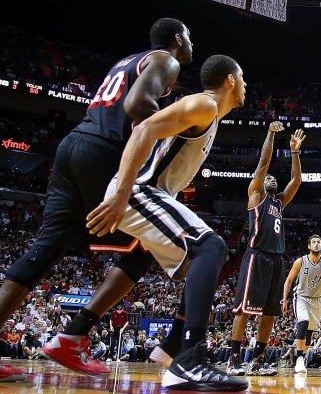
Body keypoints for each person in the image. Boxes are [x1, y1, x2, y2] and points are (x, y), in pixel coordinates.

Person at [0, 18, 193, 382]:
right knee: (149, 245)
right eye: (189, 37)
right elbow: (138, 105)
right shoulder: (165, 60)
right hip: (106, 152)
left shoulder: (127, 60)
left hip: (73, 146)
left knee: (48, 247)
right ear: (175, 38)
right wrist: (175, 136)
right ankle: (75, 334)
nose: (191, 44)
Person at [82, 53, 248, 391]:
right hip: (139, 192)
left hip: (151, 195)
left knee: (199, 264)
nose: (245, 84)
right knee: (210, 247)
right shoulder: (205, 105)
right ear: (230, 80)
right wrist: (121, 194)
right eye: (242, 77)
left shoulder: (210, 115)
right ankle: (190, 357)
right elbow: (144, 127)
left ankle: (174, 350)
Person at [227, 122, 307, 376]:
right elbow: (263, 164)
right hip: (256, 256)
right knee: (243, 311)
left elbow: (296, 180)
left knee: (269, 314)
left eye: (274, 178)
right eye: (268, 178)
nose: (272, 178)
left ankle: (258, 360)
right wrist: (271, 134)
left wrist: (294, 152)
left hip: (276, 260)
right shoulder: (256, 195)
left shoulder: (279, 202)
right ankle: (234, 358)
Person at [281, 234, 321, 373]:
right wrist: (285, 299)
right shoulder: (300, 261)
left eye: (318, 242)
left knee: (309, 333)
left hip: (317, 300)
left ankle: (302, 356)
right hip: (301, 297)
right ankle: (300, 359)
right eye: (313, 242)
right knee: (304, 322)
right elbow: (289, 280)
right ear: (309, 246)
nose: (316, 244)